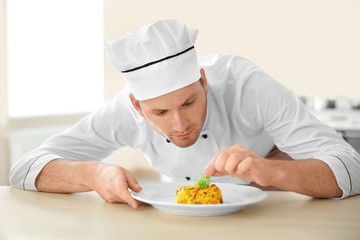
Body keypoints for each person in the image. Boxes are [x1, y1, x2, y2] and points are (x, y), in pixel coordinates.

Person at [9, 19, 360, 209]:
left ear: (204, 81)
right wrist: (92, 174)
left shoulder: (247, 84)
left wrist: (271, 170)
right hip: (178, 214)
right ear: (137, 106)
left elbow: (351, 167)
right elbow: (24, 168)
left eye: (189, 103)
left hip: (275, 206)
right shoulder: (123, 111)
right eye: (160, 112)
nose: (180, 126)